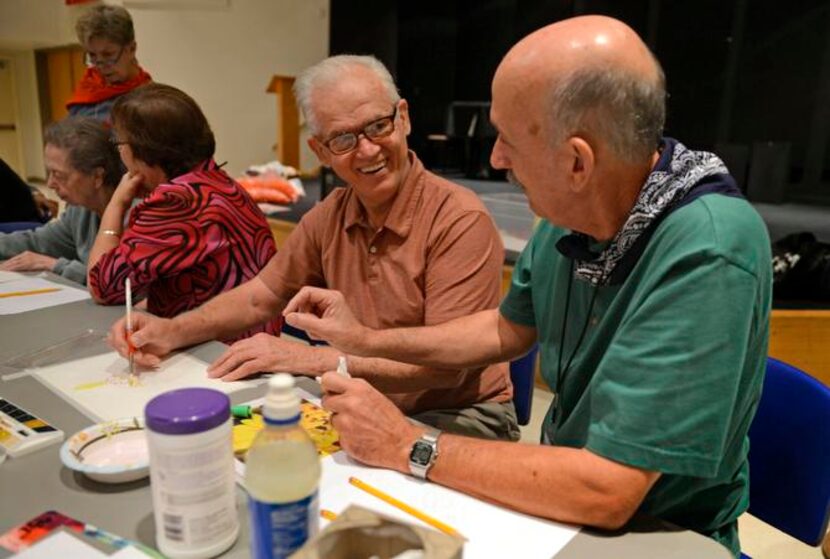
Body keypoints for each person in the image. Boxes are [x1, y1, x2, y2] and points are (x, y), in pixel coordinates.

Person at [280, 16, 772, 558]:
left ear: (578, 161)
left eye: (508, 140)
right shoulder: (572, 211)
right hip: (563, 498)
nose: (495, 159)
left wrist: (408, 445)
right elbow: (503, 329)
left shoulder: (709, 250)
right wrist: (360, 341)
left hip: (661, 533)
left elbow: (608, 488)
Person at [108, 56, 517, 441]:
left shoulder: (459, 219)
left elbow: (445, 370)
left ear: (404, 118)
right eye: (343, 138)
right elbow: (261, 296)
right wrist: (171, 331)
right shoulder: (332, 214)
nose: (369, 149)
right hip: (361, 398)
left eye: (378, 125)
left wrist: (313, 360)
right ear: (320, 152)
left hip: (459, 415)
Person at [87, 83, 278, 341]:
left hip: (221, 351)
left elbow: (103, 286)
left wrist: (116, 204)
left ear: (142, 148)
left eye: (119, 142)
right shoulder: (214, 180)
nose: (119, 150)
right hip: (244, 336)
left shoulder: (175, 202)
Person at [0, 118, 120, 284]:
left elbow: (124, 287)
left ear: (97, 176)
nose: (50, 184)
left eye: (59, 175)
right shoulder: (81, 209)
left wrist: (56, 265)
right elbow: (40, 242)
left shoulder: (138, 215)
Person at [67, 4, 151, 121]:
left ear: (131, 49)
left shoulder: (153, 99)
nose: (100, 65)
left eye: (108, 54)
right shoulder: (83, 98)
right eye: (92, 55)